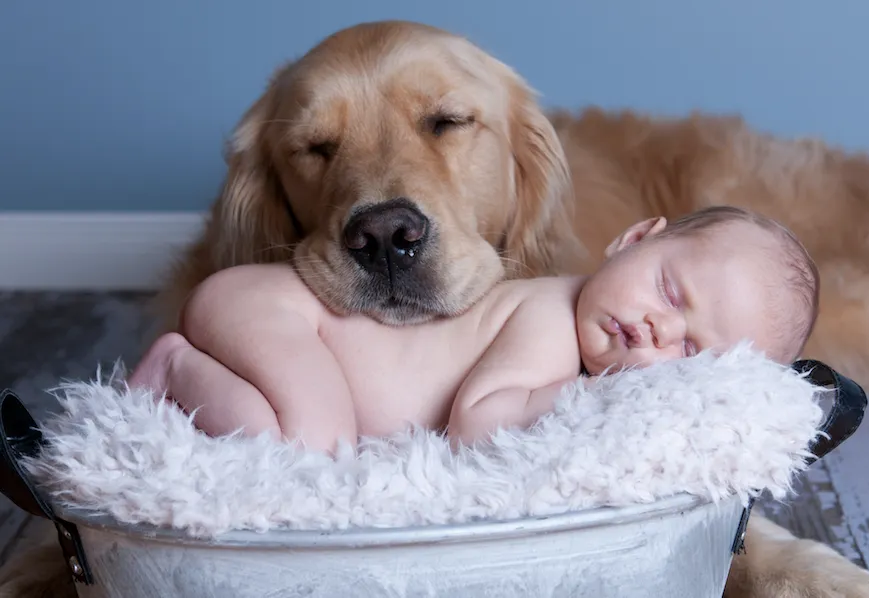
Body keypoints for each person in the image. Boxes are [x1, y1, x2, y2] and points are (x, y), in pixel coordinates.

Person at [128, 205, 819, 453]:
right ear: (634, 238)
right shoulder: (551, 317)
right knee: (314, 444)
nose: (654, 328)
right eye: (669, 289)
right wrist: (607, 397)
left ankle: (188, 372)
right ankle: (172, 368)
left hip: (280, 324)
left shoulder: (583, 339)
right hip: (282, 312)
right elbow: (478, 423)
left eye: (689, 350)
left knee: (293, 435)